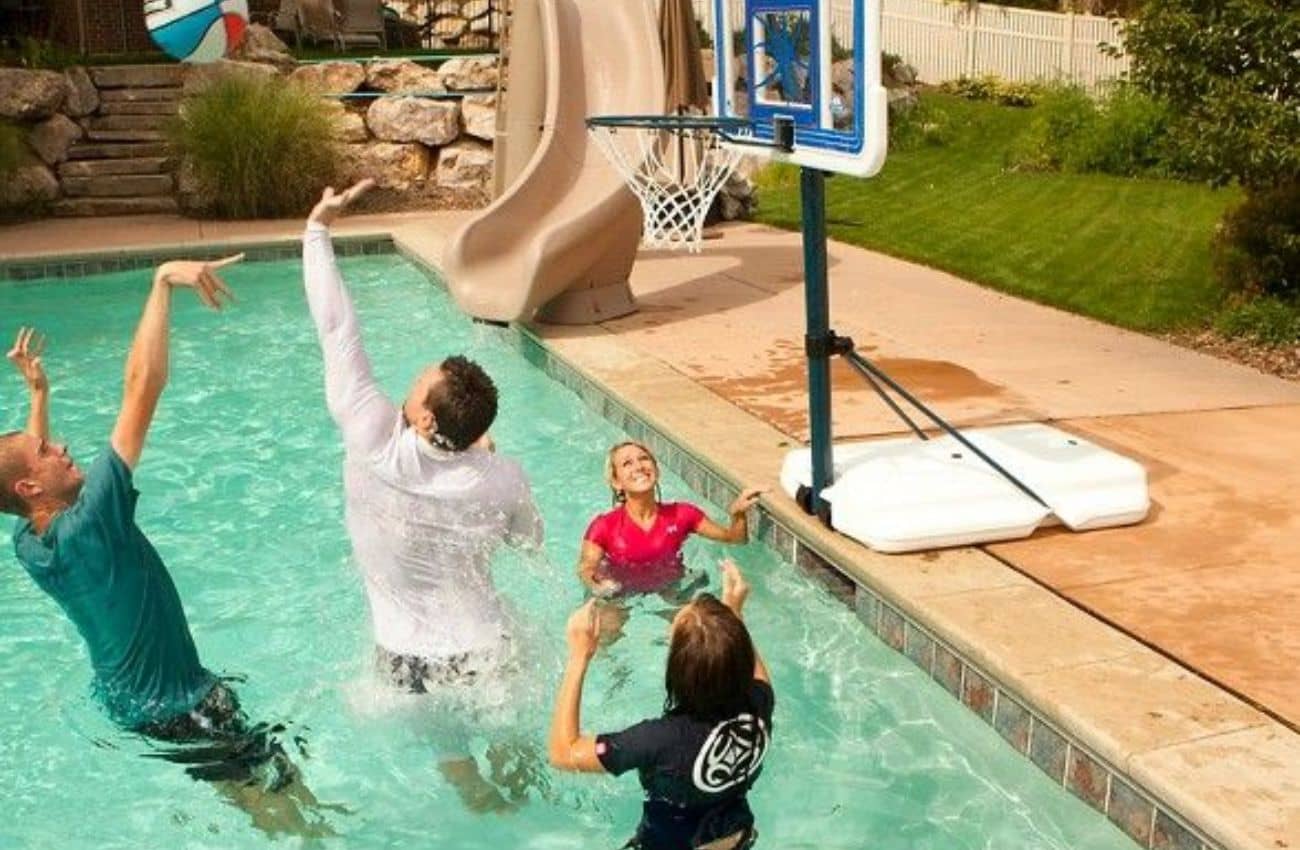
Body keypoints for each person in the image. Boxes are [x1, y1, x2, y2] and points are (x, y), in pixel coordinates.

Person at [1, 266, 326, 837]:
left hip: (130, 706)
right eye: (48, 448)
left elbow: (26, 483)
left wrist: (39, 396)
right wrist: (161, 283)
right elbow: (142, 385)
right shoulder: (96, 518)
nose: (62, 445)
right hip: (183, 704)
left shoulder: (30, 542)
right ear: (31, 488)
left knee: (250, 792)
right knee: (289, 801)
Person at [303, 180, 545, 808]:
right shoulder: (502, 475)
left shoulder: (371, 438)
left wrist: (317, 230)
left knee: (464, 776)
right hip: (486, 650)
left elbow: (337, 330)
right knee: (518, 755)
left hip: (407, 665)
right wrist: (483, 469)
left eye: (416, 386)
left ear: (428, 421)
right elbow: (529, 542)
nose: (406, 388)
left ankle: (483, 806)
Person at [549, 559, 773, 850]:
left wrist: (579, 655)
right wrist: (734, 614)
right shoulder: (758, 703)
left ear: (678, 672)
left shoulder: (659, 741)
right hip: (736, 837)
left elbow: (564, 753)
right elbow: (752, 669)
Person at [578, 440, 763, 598]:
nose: (639, 467)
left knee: (696, 631)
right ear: (616, 482)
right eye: (627, 463)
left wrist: (738, 514)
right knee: (607, 634)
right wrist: (601, 586)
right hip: (620, 591)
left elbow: (735, 539)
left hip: (673, 587)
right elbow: (586, 569)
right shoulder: (604, 526)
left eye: (644, 459)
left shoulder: (683, 514)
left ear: (657, 471)